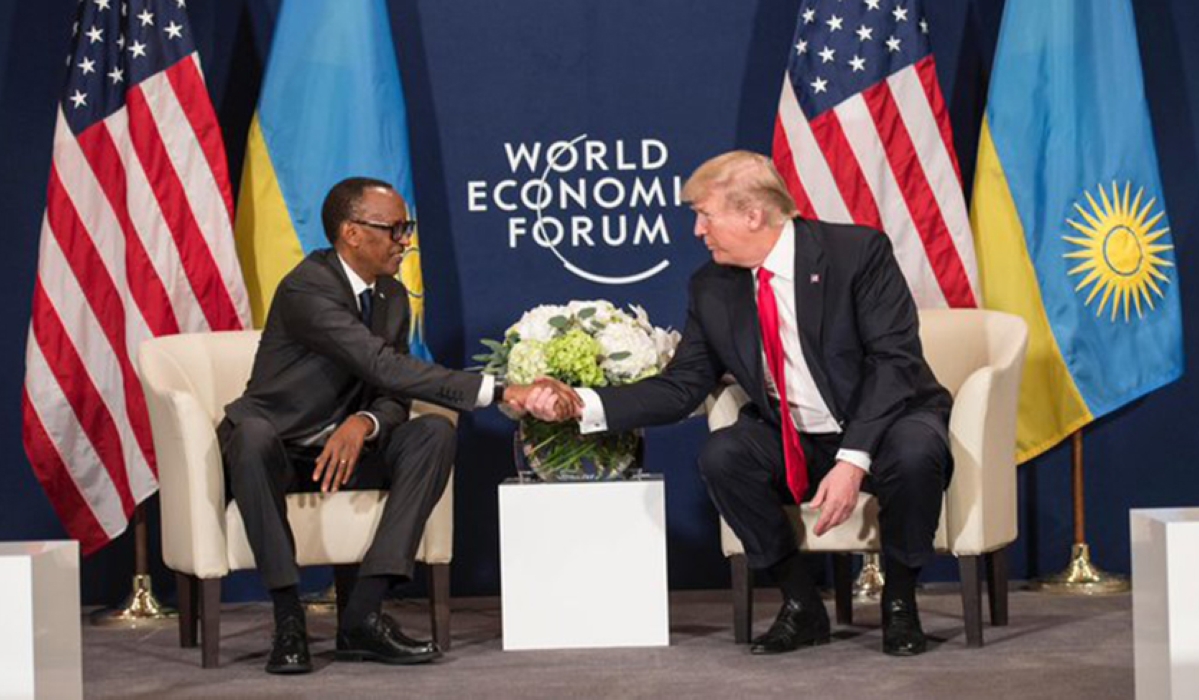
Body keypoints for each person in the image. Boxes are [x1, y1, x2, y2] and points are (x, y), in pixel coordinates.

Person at [525, 151, 953, 657]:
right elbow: (682, 387)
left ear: (753, 215)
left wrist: (853, 458)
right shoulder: (712, 287)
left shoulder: (855, 253)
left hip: (886, 424)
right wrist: (583, 405)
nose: (697, 231)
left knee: (914, 451)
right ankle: (800, 603)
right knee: (724, 455)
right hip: (794, 437)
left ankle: (900, 602)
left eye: (705, 215)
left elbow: (894, 362)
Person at [220, 176, 544, 674]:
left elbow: (391, 393)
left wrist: (365, 423)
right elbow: (383, 365)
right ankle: (288, 621)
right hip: (278, 449)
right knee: (251, 436)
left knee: (434, 432)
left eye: (406, 227)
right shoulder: (309, 287)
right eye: (394, 229)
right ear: (352, 233)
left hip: (347, 449)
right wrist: (500, 390)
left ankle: (363, 615)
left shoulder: (391, 296)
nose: (405, 240)